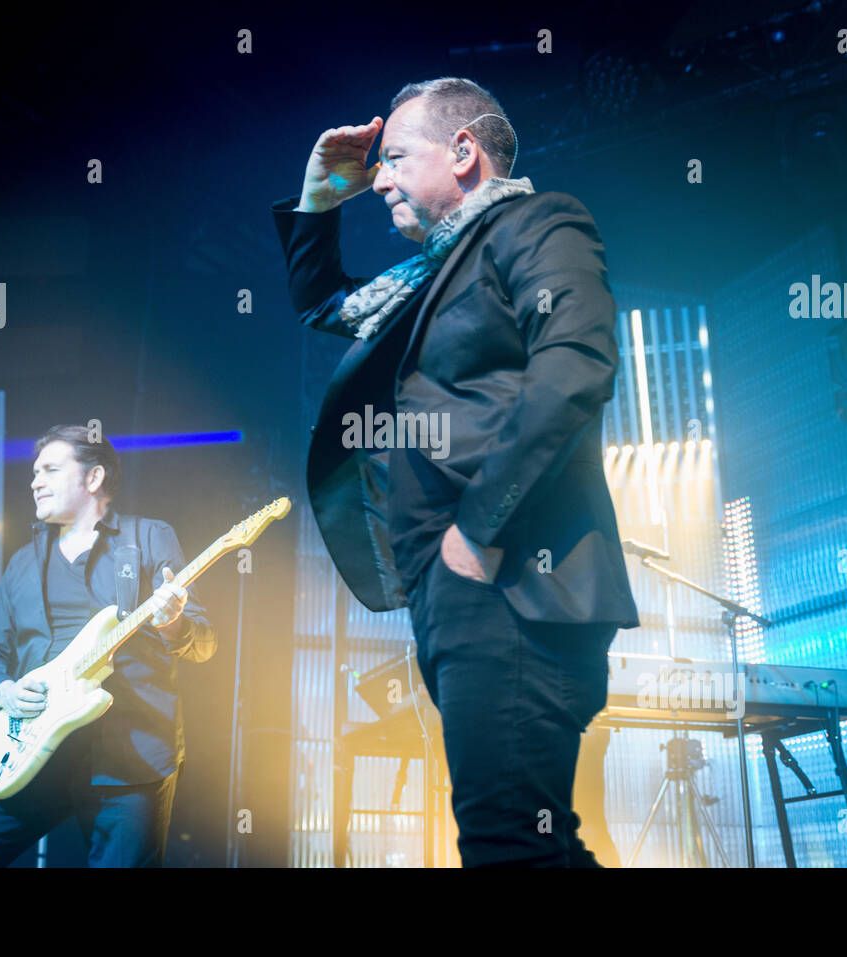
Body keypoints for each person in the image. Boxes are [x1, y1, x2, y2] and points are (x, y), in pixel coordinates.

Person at [272, 77, 639, 866]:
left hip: (510, 576)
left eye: (396, 157)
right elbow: (324, 306)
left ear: (465, 153)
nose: (380, 178)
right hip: (458, 590)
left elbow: (575, 366)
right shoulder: (423, 279)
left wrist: (477, 533)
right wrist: (318, 200)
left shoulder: (540, 222)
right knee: (525, 836)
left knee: (510, 839)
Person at [0, 425, 215, 867]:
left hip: (128, 761)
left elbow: (203, 643)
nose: (34, 481)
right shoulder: (22, 563)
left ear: (93, 478)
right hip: (30, 749)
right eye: (34, 472)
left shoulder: (149, 538)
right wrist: (4, 691)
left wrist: (173, 623)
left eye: (50, 470)